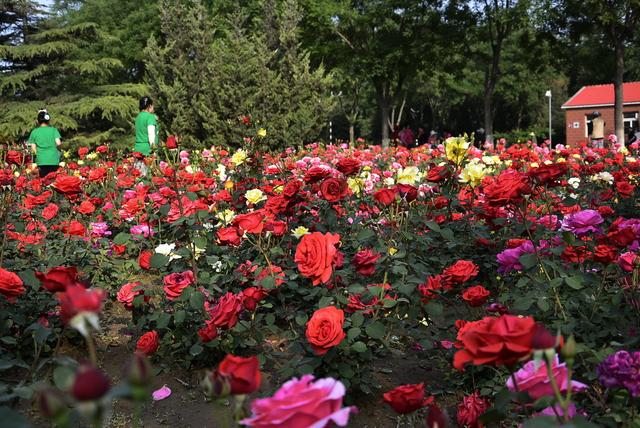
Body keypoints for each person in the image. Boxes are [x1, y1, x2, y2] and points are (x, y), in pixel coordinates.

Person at [28, 109, 61, 178]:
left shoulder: (34, 132)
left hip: (41, 160)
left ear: (38, 121)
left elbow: (33, 148)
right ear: (48, 120)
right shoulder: (53, 130)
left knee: (43, 181)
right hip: (53, 159)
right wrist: (58, 151)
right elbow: (58, 143)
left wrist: (39, 155)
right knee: (53, 180)